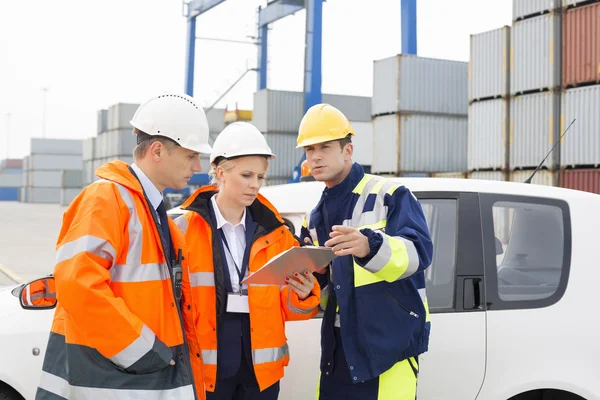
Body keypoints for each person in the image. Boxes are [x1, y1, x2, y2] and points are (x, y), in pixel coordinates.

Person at [35, 93, 213, 400]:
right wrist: (144, 351)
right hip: (114, 379)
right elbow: (78, 285)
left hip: (137, 378)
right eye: (190, 156)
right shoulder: (107, 199)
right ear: (158, 150)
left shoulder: (153, 211)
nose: (198, 166)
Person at [174, 121, 321, 400]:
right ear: (221, 173)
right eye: (246, 175)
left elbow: (293, 307)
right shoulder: (182, 231)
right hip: (207, 371)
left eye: (261, 177)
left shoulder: (278, 234)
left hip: (260, 374)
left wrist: (303, 294)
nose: (255, 185)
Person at [297, 104, 434, 400]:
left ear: (348, 150)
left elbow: (419, 253)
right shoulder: (314, 218)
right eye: (309, 149)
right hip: (338, 349)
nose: (315, 156)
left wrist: (370, 246)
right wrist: (312, 285)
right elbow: (329, 291)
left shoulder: (390, 195)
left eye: (325, 146)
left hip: (388, 349)